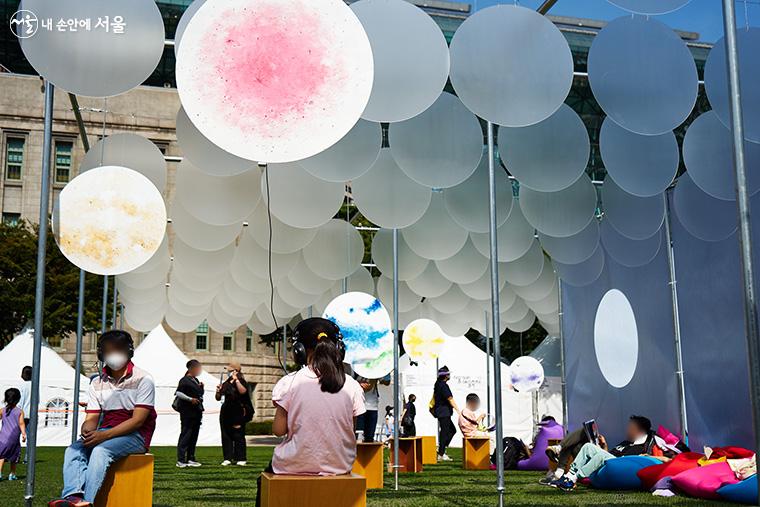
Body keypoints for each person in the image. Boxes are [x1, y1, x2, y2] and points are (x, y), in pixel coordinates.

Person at [255, 318, 365, 507]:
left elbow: (279, 430)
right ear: (339, 348)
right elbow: (350, 430)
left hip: (292, 465)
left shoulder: (289, 382)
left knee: (262, 481)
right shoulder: (353, 385)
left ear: (299, 350)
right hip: (339, 466)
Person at [49, 330, 156, 507]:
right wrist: (87, 429)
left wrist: (103, 436)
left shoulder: (144, 379)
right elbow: (92, 417)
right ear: (101, 354)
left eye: (118, 349)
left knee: (100, 451)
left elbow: (138, 421)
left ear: (128, 351)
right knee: (73, 450)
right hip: (106, 432)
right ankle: (73, 496)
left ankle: (87, 502)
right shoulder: (96, 382)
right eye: (108, 350)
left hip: (137, 436)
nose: (113, 354)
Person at [552, 415, 657, 492]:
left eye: (631, 428)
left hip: (618, 465)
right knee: (588, 446)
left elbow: (623, 461)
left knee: (600, 455)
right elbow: (609, 457)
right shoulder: (626, 443)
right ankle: (569, 475)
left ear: (640, 432)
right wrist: (604, 446)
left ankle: (574, 478)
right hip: (609, 463)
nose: (628, 430)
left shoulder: (640, 447)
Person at [215, 362, 253, 466]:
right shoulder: (226, 382)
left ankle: (240, 458)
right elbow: (218, 398)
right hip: (226, 411)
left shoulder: (241, 381)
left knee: (238, 435)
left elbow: (243, 392)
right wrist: (218, 391)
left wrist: (236, 380)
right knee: (226, 435)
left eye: (230, 370)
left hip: (237, 411)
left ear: (236, 371)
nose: (228, 372)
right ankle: (227, 457)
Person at [175, 359, 204, 468]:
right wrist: (189, 399)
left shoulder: (195, 380)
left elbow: (200, 394)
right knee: (186, 435)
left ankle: (191, 458)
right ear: (192, 368)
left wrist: (201, 388)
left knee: (193, 436)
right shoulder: (184, 380)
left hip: (197, 412)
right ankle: (181, 460)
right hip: (187, 412)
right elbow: (178, 393)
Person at [432, 366, 459, 461]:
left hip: (441, 411)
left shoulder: (437, 384)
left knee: (451, 430)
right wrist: (458, 410)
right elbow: (449, 398)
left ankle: (441, 449)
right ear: (445, 376)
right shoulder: (443, 385)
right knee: (445, 432)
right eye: (448, 374)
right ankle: (441, 453)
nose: (449, 375)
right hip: (444, 412)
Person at [0, 388, 26, 480]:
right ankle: (12, 474)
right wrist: (23, 434)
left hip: (2, 437)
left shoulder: (2, 410)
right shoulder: (20, 411)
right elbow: (21, 423)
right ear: (18, 399)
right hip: (14, 437)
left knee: (1, 455)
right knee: (14, 456)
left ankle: (0, 473)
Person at [355, 376, 379, 442]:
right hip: (358, 406)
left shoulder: (377, 370)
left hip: (372, 406)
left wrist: (374, 379)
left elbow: (387, 381)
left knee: (369, 437)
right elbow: (366, 388)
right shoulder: (354, 370)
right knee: (358, 436)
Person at [19, 366, 31, 464]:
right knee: (30, 438)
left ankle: (16, 456)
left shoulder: (22, 385)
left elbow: (20, 401)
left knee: (15, 436)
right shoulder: (35, 385)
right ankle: (28, 458)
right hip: (31, 414)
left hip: (21, 414)